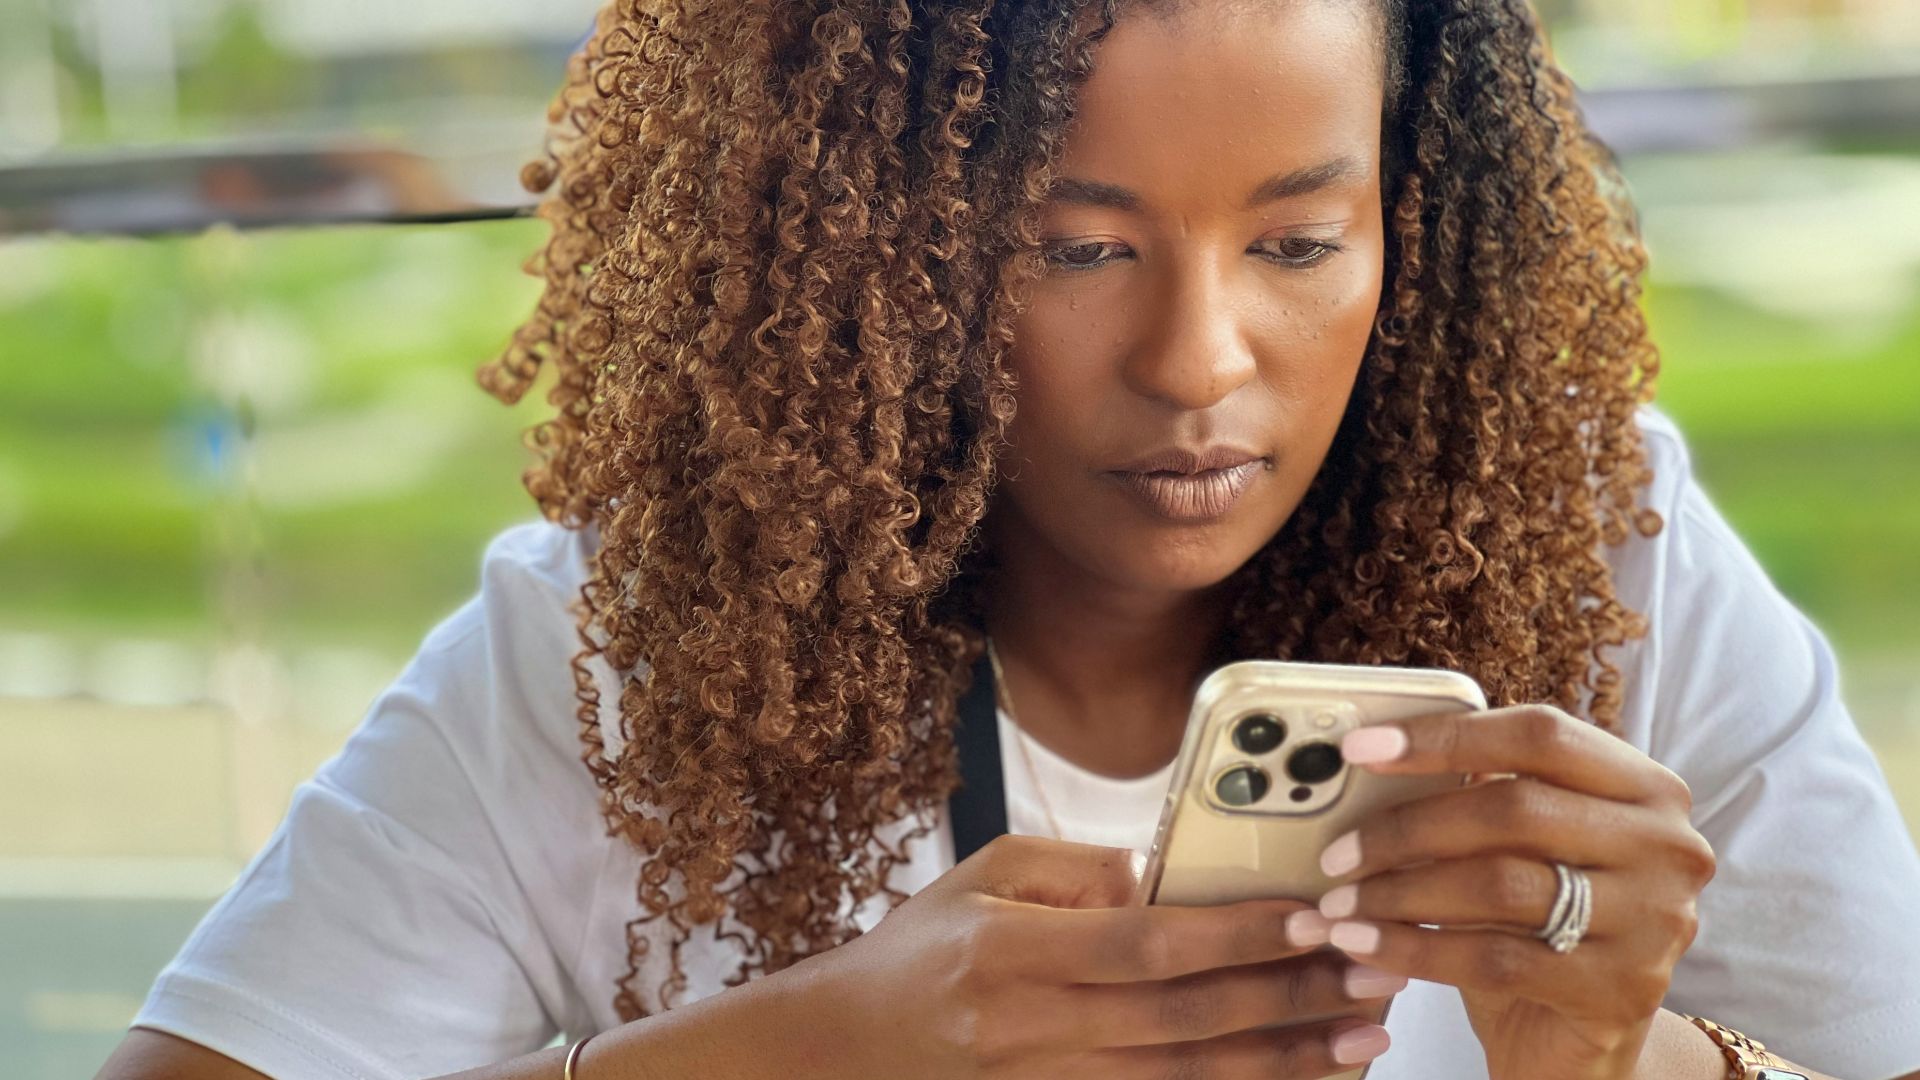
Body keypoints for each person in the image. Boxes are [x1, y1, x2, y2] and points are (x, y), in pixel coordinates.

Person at [98, 0, 1920, 1078]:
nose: (1198, 361)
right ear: (868, 244)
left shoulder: (1606, 551)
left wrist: (1637, 1065)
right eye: (1076, 247)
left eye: (1299, 245)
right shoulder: (615, 654)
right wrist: (789, 1060)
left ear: (1413, 223)